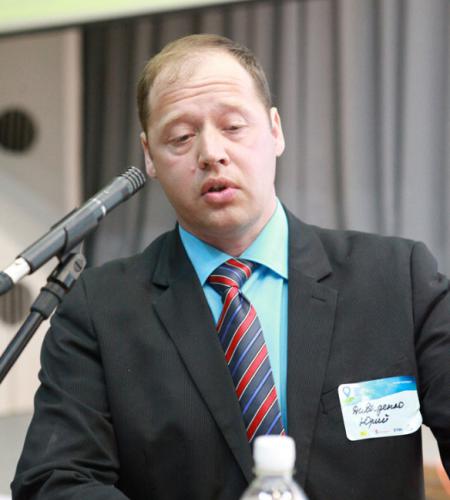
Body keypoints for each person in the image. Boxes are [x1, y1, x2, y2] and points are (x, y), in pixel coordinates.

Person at [12, 34, 449, 500]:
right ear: (149, 157)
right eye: (181, 137)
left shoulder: (397, 280)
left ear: (275, 130)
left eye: (234, 126)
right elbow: (54, 481)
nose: (211, 153)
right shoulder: (100, 310)